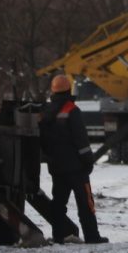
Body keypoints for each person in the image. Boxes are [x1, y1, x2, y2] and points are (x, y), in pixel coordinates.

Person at [39, 73, 108, 244]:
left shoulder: (46, 113)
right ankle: (92, 237)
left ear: (53, 91)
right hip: (76, 168)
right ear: (69, 90)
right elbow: (81, 141)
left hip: (56, 167)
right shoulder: (72, 110)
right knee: (85, 204)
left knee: (58, 204)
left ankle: (58, 235)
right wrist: (88, 161)